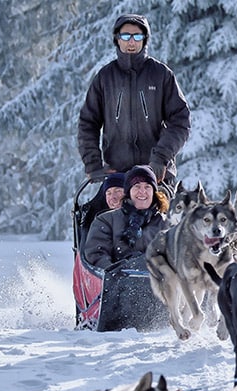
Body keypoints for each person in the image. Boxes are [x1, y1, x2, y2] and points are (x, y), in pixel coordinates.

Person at [78, 13, 191, 197]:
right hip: (118, 176)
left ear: (145, 39)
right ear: (117, 39)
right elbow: (87, 123)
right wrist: (93, 164)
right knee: (99, 215)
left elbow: (180, 121)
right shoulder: (105, 77)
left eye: (137, 36)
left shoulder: (161, 74)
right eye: (126, 36)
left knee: (162, 216)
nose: (131, 42)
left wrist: (161, 158)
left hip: (156, 175)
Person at [84, 165, 169, 270]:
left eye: (147, 187)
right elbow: (97, 254)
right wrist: (113, 272)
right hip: (118, 277)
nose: (142, 191)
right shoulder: (106, 221)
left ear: (153, 192)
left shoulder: (166, 224)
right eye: (137, 186)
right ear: (129, 192)